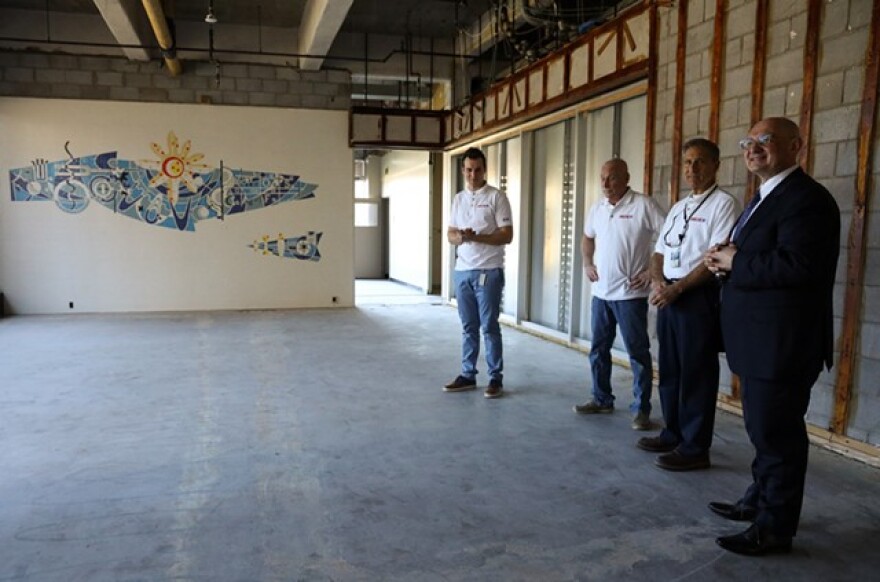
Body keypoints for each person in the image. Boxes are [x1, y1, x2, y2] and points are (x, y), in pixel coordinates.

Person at [704, 117, 840, 556]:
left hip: (782, 343)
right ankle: (758, 500)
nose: (753, 148)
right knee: (764, 431)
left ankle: (775, 527)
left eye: (766, 141)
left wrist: (736, 261)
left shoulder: (806, 199)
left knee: (777, 437)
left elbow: (801, 267)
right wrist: (723, 259)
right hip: (760, 341)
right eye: (748, 141)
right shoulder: (764, 197)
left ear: (796, 145)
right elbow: (756, 257)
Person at [638, 138, 739, 471]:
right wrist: (657, 282)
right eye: (687, 163)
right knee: (669, 369)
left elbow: (714, 259)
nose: (692, 169)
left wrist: (677, 288)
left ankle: (696, 447)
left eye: (700, 162)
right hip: (668, 295)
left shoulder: (723, 204)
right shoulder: (679, 206)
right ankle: (673, 432)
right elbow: (658, 253)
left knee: (697, 373)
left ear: (715, 166)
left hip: (696, 297)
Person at [573, 158, 666, 431]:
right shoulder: (598, 207)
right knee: (598, 349)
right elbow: (587, 237)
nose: (605, 184)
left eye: (611, 178)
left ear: (626, 178)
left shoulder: (643, 205)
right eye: (602, 178)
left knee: (637, 353)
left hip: (630, 296)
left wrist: (652, 271)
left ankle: (641, 410)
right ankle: (601, 398)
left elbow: (668, 234)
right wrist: (587, 262)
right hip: (600, 294)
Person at [444, 147, 514, 399]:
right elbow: (451, 234)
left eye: (477, 170)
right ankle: (467, 375)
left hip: (489, 271)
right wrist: (460, 237)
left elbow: (507, 235)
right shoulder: (458, 199)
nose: (473, 175)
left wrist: (479, 237)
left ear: (485, 170)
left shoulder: (497, 197)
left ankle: (495, 378)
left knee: (489, 327)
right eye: (469, 170)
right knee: (468, 326)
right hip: (463, 271)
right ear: (463, 171)